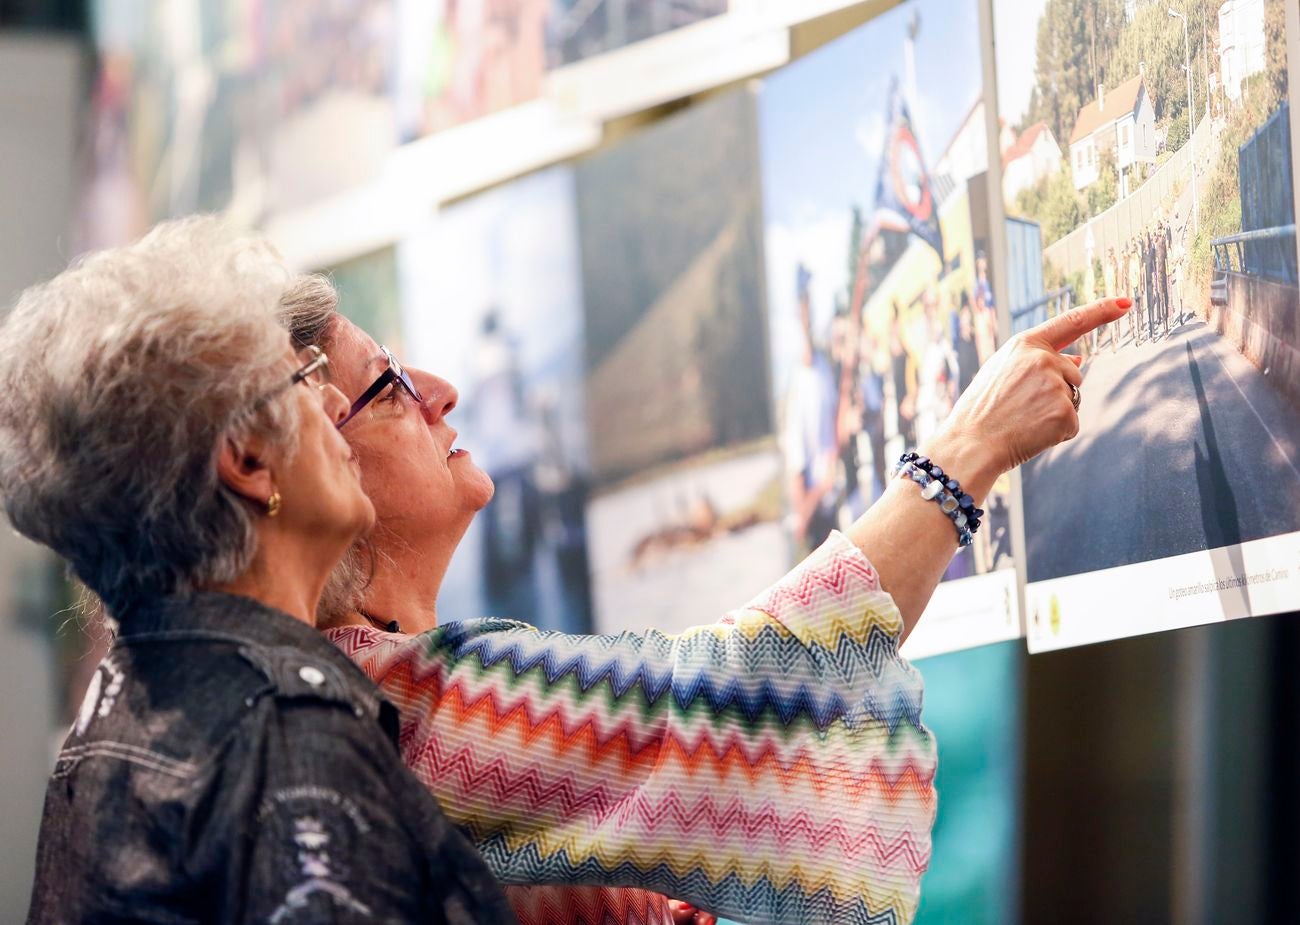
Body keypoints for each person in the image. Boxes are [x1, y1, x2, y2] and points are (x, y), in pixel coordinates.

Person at [281, 268, 1131, 925]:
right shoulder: (390, 709)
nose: (438, 389)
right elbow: (739, 689)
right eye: (386, 382)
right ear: (314, 461)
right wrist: (967, 448)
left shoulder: (378, 693)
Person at [0, 219, 518, 924]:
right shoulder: (289, 733)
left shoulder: (112, 721)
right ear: (246, 460)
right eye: (303, 380)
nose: (335, 406)